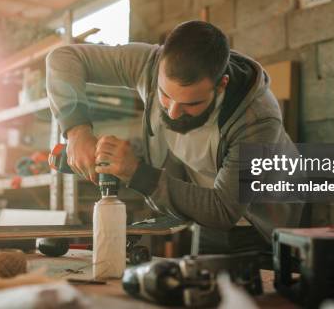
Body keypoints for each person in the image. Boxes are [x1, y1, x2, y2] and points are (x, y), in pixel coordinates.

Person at [46, 20, 304, 255]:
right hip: (206, 211)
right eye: (164, 95)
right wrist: (77, 130)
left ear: (221, 85)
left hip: (258, 223)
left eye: (191, 103)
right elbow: (63, 58)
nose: (172, 112)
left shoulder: (256, 119)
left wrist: (137, 173)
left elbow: (223, 210)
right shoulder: (147, 63)